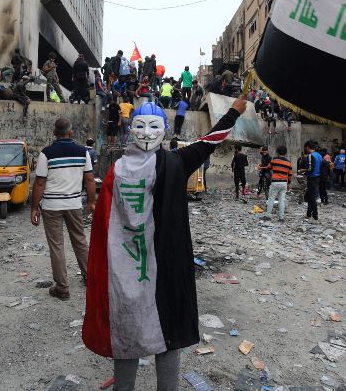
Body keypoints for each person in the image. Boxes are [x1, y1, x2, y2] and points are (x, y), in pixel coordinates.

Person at [82, 96, 247, 391]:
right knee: (162, 325)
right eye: (140, 126)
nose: (146, 133)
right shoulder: (168, 164)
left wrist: (234, 112)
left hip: (128, 269)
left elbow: (209, 142)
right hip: (152, 268)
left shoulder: (126, 168)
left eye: (153, 126)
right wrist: (233, 112)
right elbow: (209, 142)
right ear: (130, 129)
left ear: (164, 130)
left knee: (133, 326)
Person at [31, 118, 95, 300]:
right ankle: (90, 278)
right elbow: (90, 179)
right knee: (80, 242)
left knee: (57, 246)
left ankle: (62, 288)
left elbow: (40, 182)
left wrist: (34, 208)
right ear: (71, 132)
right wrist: (92, 202)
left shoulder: (47, 153)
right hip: (74, 204)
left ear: (54, 133)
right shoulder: (83, 152)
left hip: (51, 206)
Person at [263, 146, 292, 222]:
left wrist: (261, 167)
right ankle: (281, 218)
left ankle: (268, 216)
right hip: (284, 183)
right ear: (285, 153)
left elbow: (268, 168)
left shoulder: (274, 160)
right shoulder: (289, 163)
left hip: (275, 182)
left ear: (277, 152)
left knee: (271, 199)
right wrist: (288, 183)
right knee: (282, 200)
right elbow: (290, 175)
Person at [303, 141, 322, 220]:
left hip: (312, 177)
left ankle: (315, 214)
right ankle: (308, 214)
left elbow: (310, 168)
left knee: (311, 197)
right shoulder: (319, 155)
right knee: (311, 196)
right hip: (317, 177)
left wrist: (303, 171)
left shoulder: (311, 155)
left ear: (307, 147)